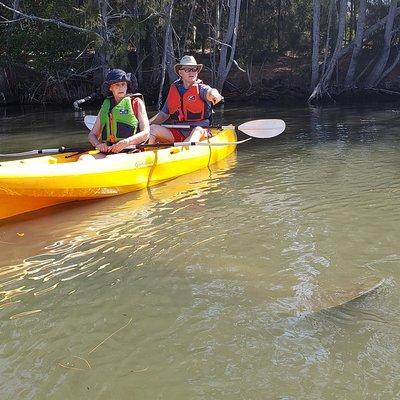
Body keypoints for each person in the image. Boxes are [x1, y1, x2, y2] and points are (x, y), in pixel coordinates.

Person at [149, 55, 223, 144]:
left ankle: (185, 151)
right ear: (180, 73)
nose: (191, 72)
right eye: (187, 69)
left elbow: (210, 92)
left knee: (197, 130)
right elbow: (163, 115)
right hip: (179, 133)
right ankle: (145, 152)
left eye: (194, 69)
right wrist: (146, 125)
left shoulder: (202, 89)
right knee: (152, 128)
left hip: (201, 133)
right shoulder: (175, 90)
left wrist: (215, 94)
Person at [83, 69, 150, 159]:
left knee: (109, 159)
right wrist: (98, 144)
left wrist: (126, 142)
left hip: (130, 151)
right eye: (117, 85)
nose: (121, 87)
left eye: (123, 84)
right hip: (108, 151)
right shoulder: (105, 106)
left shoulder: (136, 103)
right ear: (110, 88)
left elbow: (146, 133)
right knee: (83, 158)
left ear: (127, 86)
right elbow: (92, 135)